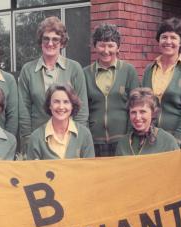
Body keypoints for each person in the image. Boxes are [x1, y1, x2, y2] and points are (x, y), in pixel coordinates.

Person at [115, 88, 178, 227]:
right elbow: (117, 179)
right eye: (133, 112)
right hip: (130, 203)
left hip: (158, 203)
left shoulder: (167, 141)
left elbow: (175, 179)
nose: (138, 117)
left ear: (153, 113)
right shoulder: (123, 143)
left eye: (143, 111)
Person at [18, 16, 88, 147]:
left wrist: (78, 139)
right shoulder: (28, 70)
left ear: (62, 43)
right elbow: (24, 110)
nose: (50, 43)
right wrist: (28, 139)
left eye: (55, 39)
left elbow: (82, 110)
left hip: (67, 140)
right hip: (38, 140)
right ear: (40, 41)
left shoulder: (74, 68)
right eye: (46, 38)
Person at [142, 17, 181, 149]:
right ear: (159, 40)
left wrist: (176, 140)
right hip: (153, 138)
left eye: (173, 37)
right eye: (164, 37)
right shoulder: (149, 69)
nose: (168, 41)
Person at [84, 23, 140, 157]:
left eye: (111, 45)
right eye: (102, 45)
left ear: (118, 47)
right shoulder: (85, 73)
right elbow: (82, 110)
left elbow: (136, 105)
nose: (106, 50)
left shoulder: (128, 71)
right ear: (95, 46)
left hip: (123, 140)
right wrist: (86, 136)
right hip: (94, 141)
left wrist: (130, 136)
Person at [26, 83, 94, 160]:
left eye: (66, 102)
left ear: (72, 105)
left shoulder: (84, 135)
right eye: (56, 102)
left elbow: (89, 169)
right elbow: (32, 171)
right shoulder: (36, 137)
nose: (61, 107)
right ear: (49, 105)